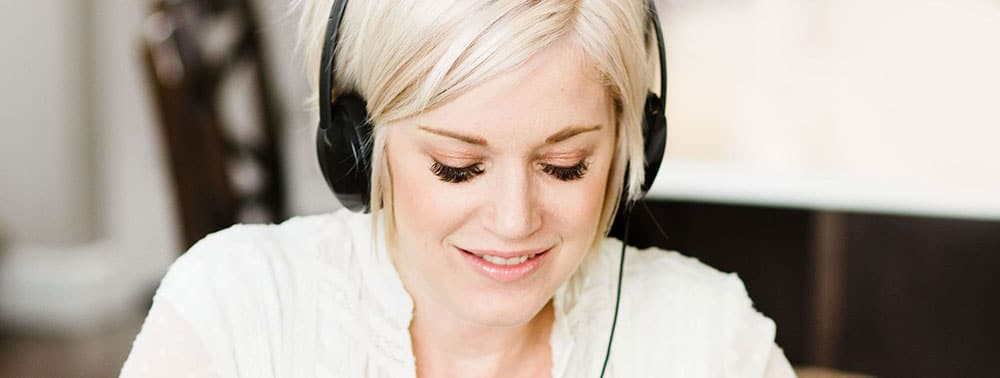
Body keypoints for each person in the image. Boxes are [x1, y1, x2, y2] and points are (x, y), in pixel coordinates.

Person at [121, 0, 794, 376]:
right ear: (358, 144)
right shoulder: (234, 319)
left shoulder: (708, 341)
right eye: (456, 165)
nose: (513, 220)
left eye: (565, 165)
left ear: (630, 141)